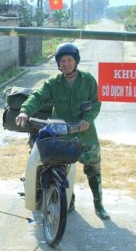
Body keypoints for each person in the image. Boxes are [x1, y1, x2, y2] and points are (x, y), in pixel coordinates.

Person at [15, 42, 110, 220]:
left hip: (85, 134)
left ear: (76, 61)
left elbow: (96, 103)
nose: (66, 63)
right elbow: (37, 96)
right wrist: (24, 111)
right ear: (58, 63)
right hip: (62, 134)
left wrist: (86, 120)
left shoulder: (88, 80)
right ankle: (68, 200)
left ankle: (98, 204)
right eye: (62, 60)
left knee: (93, 170)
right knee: (63, 168)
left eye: (69, 60)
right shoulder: (53, 83)